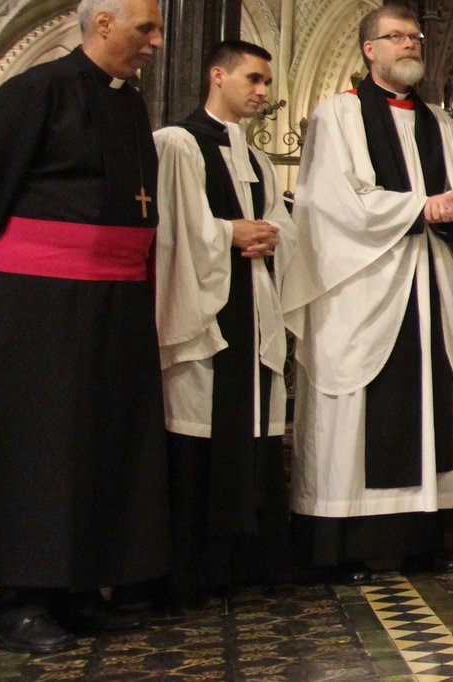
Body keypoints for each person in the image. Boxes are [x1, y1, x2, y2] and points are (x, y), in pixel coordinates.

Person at [0, 0, 168, 652]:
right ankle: (20, 602)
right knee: (43, 448)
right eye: (144, 30)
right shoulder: (36, 92)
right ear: (100, 23)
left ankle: (76, 587)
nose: (154, 44)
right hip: (40, 305)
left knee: (100, 441)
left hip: (115, 300)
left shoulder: (127, 103)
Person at [284, 3, 453, 579]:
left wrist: (445, 216)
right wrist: (418, 207)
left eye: (415, 37)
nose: (410, 46)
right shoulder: (338, 115)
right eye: (396, 38)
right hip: (364, 287)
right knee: (362, 408)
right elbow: (328, 202)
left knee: (427, 403)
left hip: (428, 280)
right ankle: (350, 545)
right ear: (369, 49)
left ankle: (421, 537)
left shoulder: (441, 124)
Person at [154, 39, 294, 604]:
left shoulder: (256, 156)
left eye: (266, 83)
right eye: (253, 80)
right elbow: (173, 231)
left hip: (253, 303)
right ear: (217, 75)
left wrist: (270, 234)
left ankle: (245, 565)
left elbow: (279, 221)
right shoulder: (178, 144)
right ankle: (188, 573)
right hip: (206, 312)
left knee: (255, 426)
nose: (262, 92)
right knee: (198, 433)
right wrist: (227, 233)